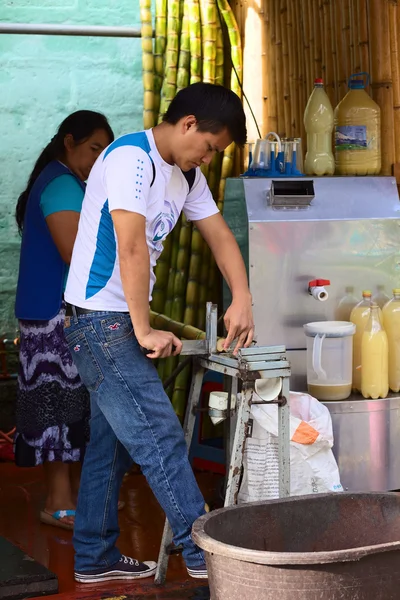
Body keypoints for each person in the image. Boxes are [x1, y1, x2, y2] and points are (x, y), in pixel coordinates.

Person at [64, 82, 254, 583]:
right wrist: (144, 330)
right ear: (188, 123)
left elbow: (218, 235)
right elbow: (130, 247)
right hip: (100, 322)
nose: (209, 160)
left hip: (118, 321)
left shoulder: (186, 176)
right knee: (160, 436)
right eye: (211, 148)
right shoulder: (130, 157)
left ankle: (94, 556)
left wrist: (243, 298)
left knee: (114, 444)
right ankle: (205, 556)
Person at [14, 110, 114, 530]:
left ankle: (70, 498)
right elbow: (76, 255)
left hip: (48, 309)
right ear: (69, 142)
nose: (99, 158)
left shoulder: (64, 180)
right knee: (56, 404)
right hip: (53, 314)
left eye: (105, 151)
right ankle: (58, 502)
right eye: (94, 148)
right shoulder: (61, 184)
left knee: (68, 405)